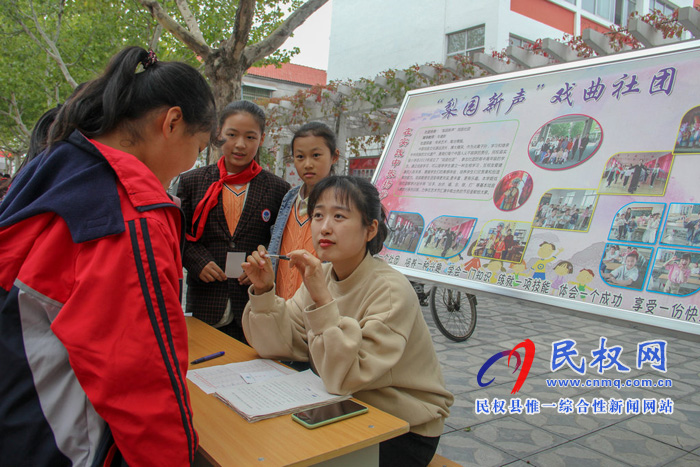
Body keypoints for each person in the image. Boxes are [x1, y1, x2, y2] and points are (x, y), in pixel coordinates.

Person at [0, 47, 215, 466]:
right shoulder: (130, 213)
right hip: (62, 439)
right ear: (171, 122)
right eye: (200, 144)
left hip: (19, 407)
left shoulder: (57, 160)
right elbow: (139, 378)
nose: (194, 161)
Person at [241, 176, 453, 467]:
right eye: (318, 215)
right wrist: (265, 291)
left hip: (403, 426)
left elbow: (344, 377)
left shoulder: (390, 290)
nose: (325, 227)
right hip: (345, 405)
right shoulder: (323, 276)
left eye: (339, 216)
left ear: (370, 229)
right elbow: (279, 345)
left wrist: (323, 301)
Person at [178, 100, 290, 343]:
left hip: (252, 302)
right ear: (218, 134)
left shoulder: (277, 188)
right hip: (206, 299)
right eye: (232, 135)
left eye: (250, 137)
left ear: (261, 139)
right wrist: (197, 262)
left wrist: (263, 267)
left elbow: (279, 243)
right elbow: (177, 235)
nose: (240, 145)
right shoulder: (192, 182)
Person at [268, 122, 339, 299]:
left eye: (316, 155)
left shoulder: (344, 203)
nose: (308, 164)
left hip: (321, 305)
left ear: (334, 156)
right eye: (300, 157)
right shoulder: (289, 199)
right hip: (282, 302)